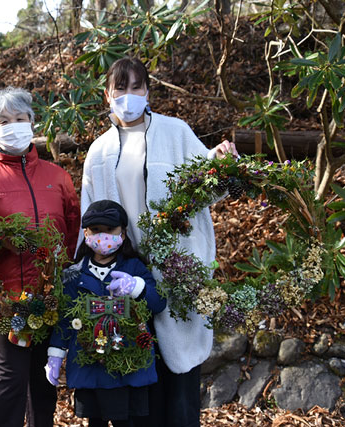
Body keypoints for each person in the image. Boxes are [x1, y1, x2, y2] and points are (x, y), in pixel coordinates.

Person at [80, 57, 238, 427]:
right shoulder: (98, 151)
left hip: (178, 272)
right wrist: (87, 273)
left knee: (180, 389)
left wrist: (222, 162)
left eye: (137, 87)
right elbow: (88, 218)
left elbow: (211, 186)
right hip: (124, 277)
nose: (129, 95)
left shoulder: (175, 132)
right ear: (108, 94)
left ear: (148, 92)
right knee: (137, 388)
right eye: (121, 88)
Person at [0, 87, 81, 427]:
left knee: (43, 384)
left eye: (20, 119)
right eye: (4, 121)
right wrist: (1, 242)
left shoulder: (57, 177)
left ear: (32, 123)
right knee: (8, 384)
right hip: (1, 299)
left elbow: (72, 231)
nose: (13, 126)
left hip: (48, 297)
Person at [45, 200, 166, 427]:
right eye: (97, 230)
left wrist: (136, 287)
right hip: (90, 363)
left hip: (129, 363)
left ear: (123, 232)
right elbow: (65, 318)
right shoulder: (73, 274)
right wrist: (56, 354)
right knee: (96, 420)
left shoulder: (135, 267)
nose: (103, 237)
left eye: (110, 230)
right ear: (86, 233)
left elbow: (158, 303)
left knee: (127, 421)